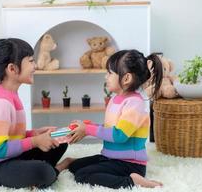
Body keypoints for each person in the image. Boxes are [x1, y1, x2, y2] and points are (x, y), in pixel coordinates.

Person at [0, 38, 68, 189]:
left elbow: (10, 135)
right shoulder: (0, 103)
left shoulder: (10, 94)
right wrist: (35, 141)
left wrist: (34, 134)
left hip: (7, 158)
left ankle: (34, 172)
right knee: (43, 172)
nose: (35, 66)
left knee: (59, 143)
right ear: (12, 69)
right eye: (30, 61)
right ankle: (57, 169)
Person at [65, 49, 164, 189]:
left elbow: (119, 135)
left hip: (130, 164)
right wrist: (88, 127)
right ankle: (69, 164)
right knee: (74, 165)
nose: (106, 77)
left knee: (82, 175)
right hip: (110, 158)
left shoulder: (135, 103)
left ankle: (132, 181)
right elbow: (109, 128)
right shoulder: (115, 99)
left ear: (126, 78)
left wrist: (89, 129)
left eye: (110, 73)